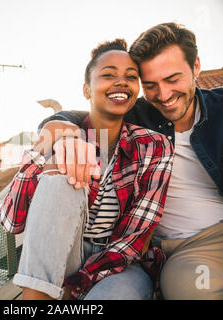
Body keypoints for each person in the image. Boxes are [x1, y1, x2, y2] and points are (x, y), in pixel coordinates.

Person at [37, 22, 223, 300]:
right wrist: (62, 132)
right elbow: (77, 116)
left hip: (215, 234)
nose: (164, 95)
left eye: (173, 79)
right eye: (150, 85)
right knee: (183, 286)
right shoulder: (137, 114)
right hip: (167, 248)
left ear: (196, 66)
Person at [0, 39, 174, 300]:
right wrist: (50, 150)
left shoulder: (154, 146)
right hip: (61, 252)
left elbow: (137, 235)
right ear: (86, 89)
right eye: (108, 75)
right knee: (61, 170)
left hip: (120, 263)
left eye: (131, 76)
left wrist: (77, 285)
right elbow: (11, 221)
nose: (121, 82)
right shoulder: (60, 136)